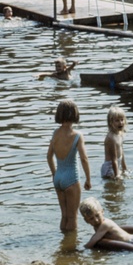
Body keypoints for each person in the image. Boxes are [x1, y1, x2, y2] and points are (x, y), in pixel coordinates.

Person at [47, 99, 92, 233]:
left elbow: (48, 156)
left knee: (64, 215)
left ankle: (63, 240)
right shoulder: (77, 135)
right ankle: (71, 248)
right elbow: (84, 158)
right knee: (73, 217)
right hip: (71, 178)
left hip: (58, 178)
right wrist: (88, 179)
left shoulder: (55, 134)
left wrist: (54, 173)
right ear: (75, 114)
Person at [101, 106, 127, 179]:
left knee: (122, 188)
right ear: (111, 122)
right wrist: (117, 175)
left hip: (116, 166)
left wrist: (124, 168)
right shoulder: (111, 138)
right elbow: (114, 159)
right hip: (109, 169)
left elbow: (122, 153)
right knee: (116, 187)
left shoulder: (120, 134)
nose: (120, 123)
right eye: (117, 120)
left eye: (122, 120)